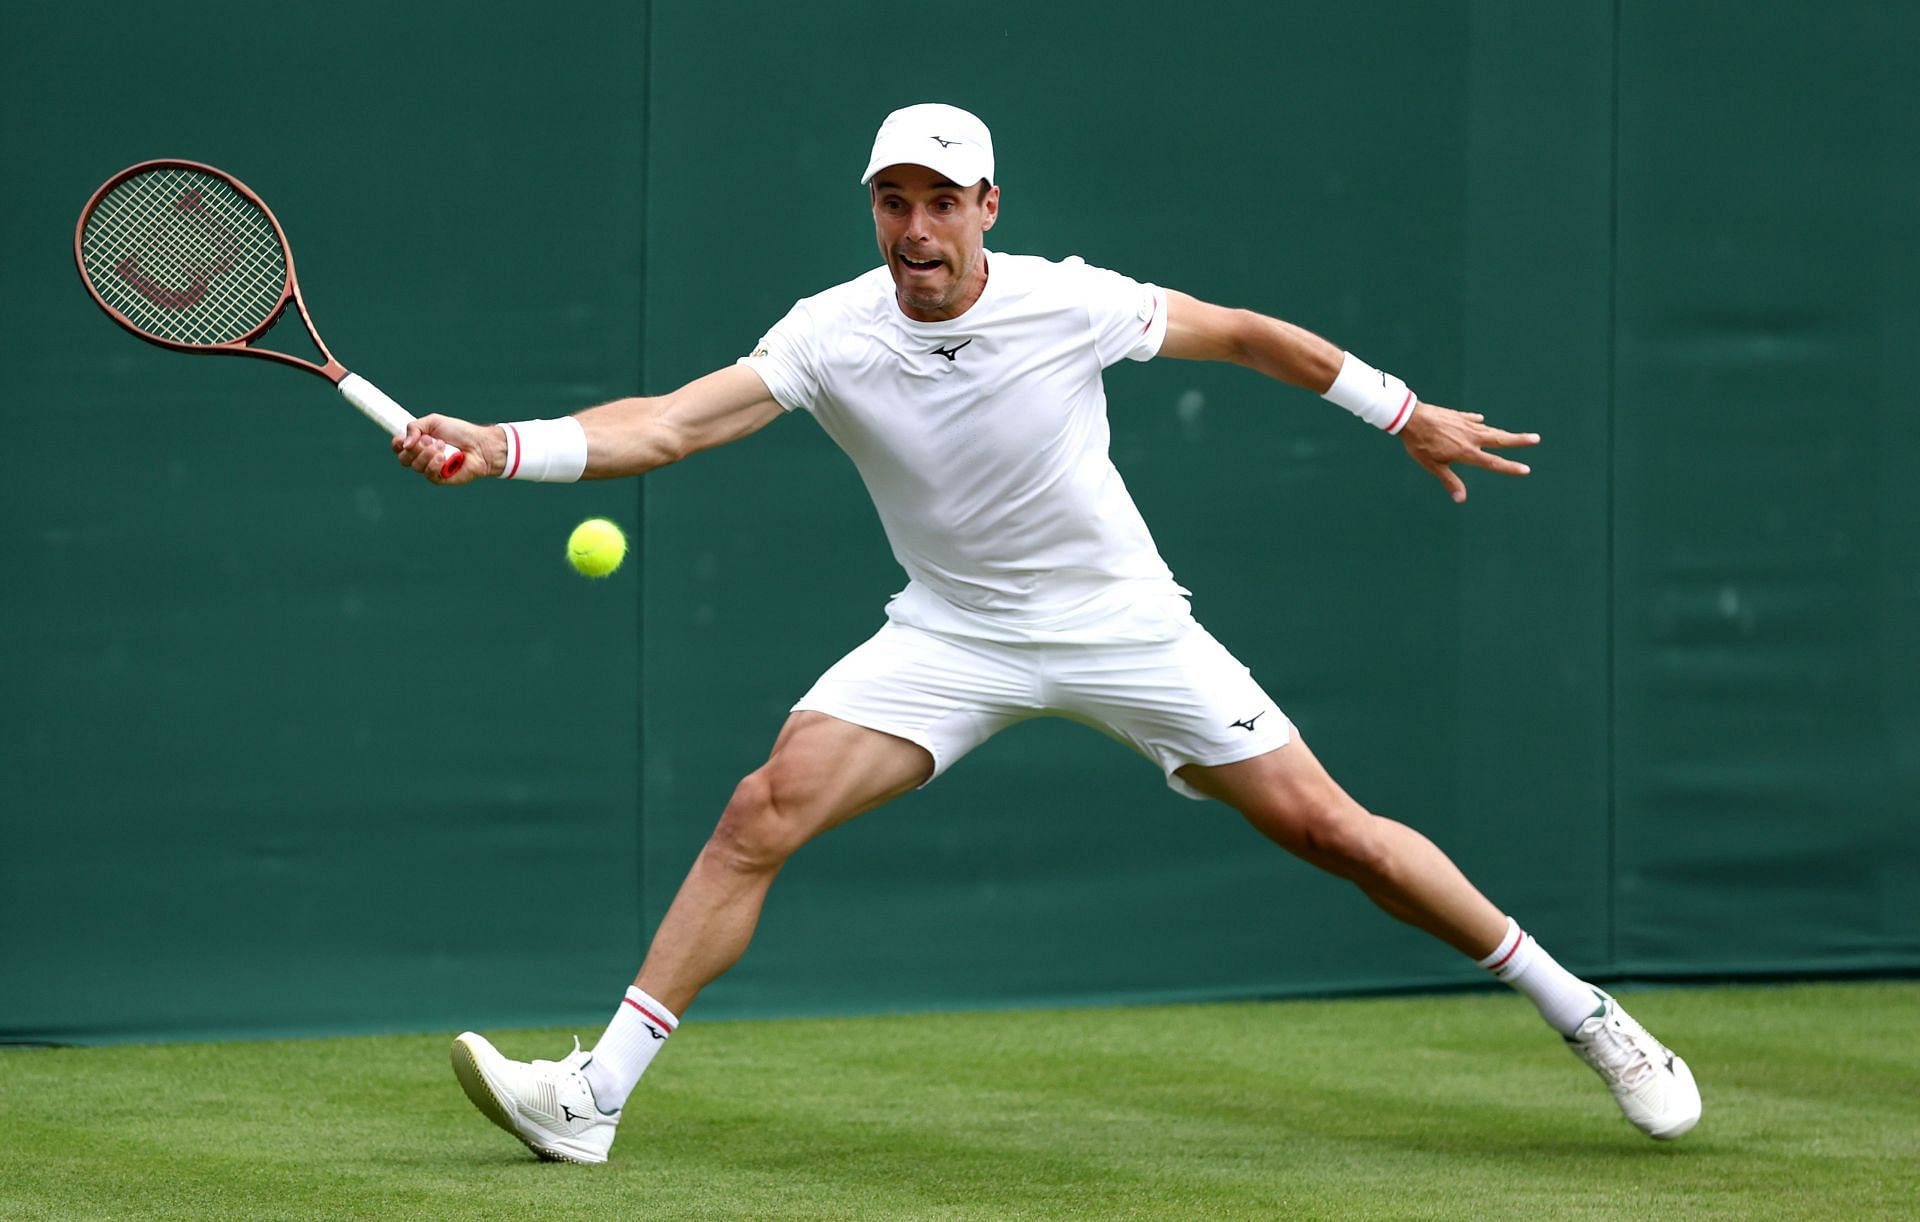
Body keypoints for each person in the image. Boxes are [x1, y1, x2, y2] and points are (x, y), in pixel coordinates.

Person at [396, 103, 1701, 1164]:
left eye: (942, 201)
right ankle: (593, 1097)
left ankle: (1587, 1016)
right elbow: (672, 423)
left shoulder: (1069, 302)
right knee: (761, 809)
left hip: (1120, 622)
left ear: (988, 211)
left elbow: (1245, 335)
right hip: (948, 632)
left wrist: (1400, 408)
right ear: (875, 211)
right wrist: (503, 447)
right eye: (894, 201)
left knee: (1336, 834)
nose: (917, 227)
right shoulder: (828, 334)